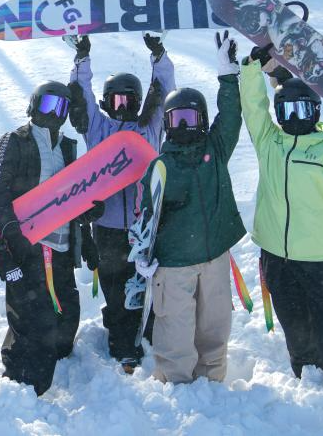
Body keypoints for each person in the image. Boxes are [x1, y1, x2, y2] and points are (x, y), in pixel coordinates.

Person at [240, 44, 323, 409]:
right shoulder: (269, 142)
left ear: (315, 112)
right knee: (297, 331)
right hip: (276, 256)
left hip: (319, 259)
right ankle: (310, 386)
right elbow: (253, 108)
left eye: (301, 108)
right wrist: (253, 68)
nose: (292, 116)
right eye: (285, 109)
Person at [133, 31, 246, 385]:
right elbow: (146, 218)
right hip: (175, 265)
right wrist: (141, 252)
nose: (185, 127)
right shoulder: (161, 166)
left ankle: (213, 381)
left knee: (214, 328)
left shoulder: (215, 150)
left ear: (202, 120)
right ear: (167, 123)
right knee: (176, 332)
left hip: (213, 258)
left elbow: (231, 116)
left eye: (191, 119)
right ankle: (175, 385)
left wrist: (228, 75)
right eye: (178, 119)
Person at [0, 81, 103, 396]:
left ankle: (53, 356)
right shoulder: (16, 141)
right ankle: (22, 378)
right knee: (33, 319)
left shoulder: (67, 147)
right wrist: (12, 233)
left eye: (61, 107)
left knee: (66, 316)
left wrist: (86, 228)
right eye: (49, 104)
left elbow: (73, 196)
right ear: (34, 105)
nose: (54, 113)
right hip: (29, 246)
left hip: (60, 248)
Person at [67, 33, 176, 373]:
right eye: (115, 102)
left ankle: (148, 336)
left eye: (129, 102)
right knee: (116, 285)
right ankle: (120, 339)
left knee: (146, 284)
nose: (123, 109)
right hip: (109, 225)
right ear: (106, 103)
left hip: (145, 226)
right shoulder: (98, 129)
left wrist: (159, 55)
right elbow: (80, 97)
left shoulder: (150, 127)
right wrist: (82, 59)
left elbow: (166, 89)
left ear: (139, 102)